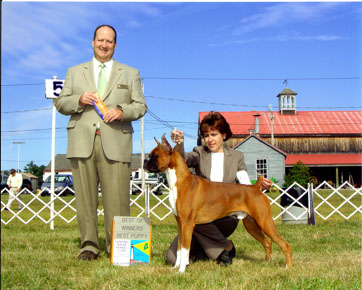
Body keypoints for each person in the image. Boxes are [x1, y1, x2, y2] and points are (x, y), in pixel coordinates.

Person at [55, 24, 147, 260]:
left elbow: (140, 106)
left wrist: (121, 111)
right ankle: (89, 246)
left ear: (115, 45)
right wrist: (79, 99)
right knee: (85, 199)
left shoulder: (130, 72)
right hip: (81, 141)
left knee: (118, 199)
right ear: (93, 42)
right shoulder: (74, 72)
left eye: (109, 41)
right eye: (100, 40)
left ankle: (121, 249)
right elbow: (60, 104)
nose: (104, 44)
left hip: (116, 142)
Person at [165, 111, 272, 266]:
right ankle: (220, 248)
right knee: (171, 259)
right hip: (201, 217)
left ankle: (217, 247)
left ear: (223, 134)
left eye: (214, 134)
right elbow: (181, 160)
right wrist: (179, 143)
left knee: (194, 218)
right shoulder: (199, 153)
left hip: (225, 216)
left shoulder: (236, 156)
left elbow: (245, 184)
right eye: (206, 135)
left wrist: (258, 186)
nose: (210, 139)